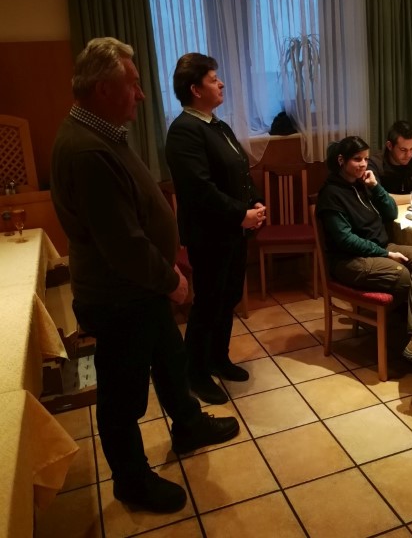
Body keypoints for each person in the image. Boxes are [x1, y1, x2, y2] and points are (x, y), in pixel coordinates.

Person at [51, 38, 240, 515]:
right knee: (123, 394)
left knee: (170, 360)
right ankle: (131, 480)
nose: (140, 94)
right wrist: (171, 279)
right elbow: (123, 243)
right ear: (102, 88)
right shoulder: (87, 151)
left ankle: (188, 425)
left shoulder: (101, 134)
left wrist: (164, 260)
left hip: (139, 286)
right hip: (120, 294)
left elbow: (136, 220)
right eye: (132, 84)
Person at [165, 53, 266, 405]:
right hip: (209, 235)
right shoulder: (184, 131)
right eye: (213, 79)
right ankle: (195, 372)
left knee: (228, 297)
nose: (221, 83)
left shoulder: (217, 125)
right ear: (195, 89)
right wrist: (241, 214)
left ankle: (218, 358)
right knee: (208, 303)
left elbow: (240, 170)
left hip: (234, 231)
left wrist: (255, 203)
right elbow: (200, 190)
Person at [316, 135, 412, 374]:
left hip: (381, 247)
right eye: (357, 159)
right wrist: (384, 253)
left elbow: (391, 212)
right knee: (406, 276)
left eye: (366, 159)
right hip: (350, 260)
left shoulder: (363, 184)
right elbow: (345, 240)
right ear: (341, 160)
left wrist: (376, 187)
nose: (363, 164)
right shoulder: (331, 194)